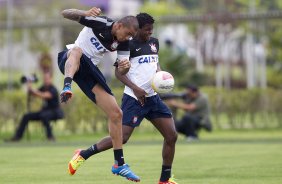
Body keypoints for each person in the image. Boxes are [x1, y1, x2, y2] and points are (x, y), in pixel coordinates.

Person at [67, 13, 178, 184]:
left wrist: (160, 76)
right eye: (146, 30)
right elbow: (119, 72)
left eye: (151, 30)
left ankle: (165, 179)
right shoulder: (127, 44)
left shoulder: (154, 42)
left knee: (171, 136)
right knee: (122, 138)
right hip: (134, 99)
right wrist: (136, 88)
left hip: (153, 99)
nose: (149, 33)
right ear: (137, 29)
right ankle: (83, 154)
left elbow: (155, 63)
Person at [57, 7, 140, 182]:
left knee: (117, 113)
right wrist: (84, 13)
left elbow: (120, 71)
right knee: (77, 51)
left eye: (132, 35)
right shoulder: (100, 22)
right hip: (70, 60)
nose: (129, 38)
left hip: (88, 71)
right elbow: (65, 13)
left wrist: (125, 68)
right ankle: (66, 86)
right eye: (128, 33)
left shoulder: (123, 43)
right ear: (118, 26)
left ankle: (119, 164)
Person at [6, 72, 64, 142]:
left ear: (50, 79)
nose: (45, 80)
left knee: (44, 116)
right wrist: (29, 85)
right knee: (26, 116)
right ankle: (17, 137)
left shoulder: (53, 89)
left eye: (47, 79)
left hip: (55, 112)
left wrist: (34, 91)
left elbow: (44, 95)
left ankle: (50, 137)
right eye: (44, 79)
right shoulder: (43, 87)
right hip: (44, 111)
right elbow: (34, 92)